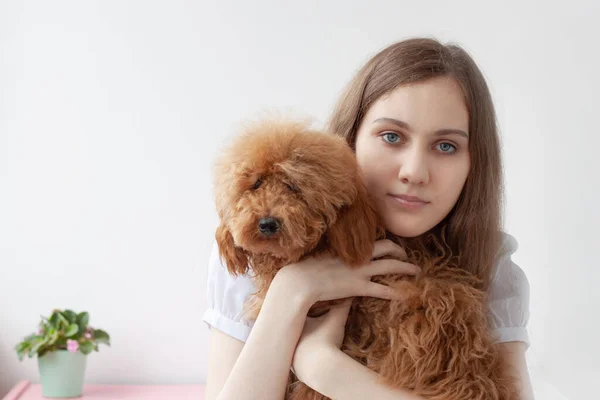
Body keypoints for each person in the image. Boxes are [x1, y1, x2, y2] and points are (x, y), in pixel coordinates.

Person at [203, 37, 534, 400]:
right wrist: (289, 292)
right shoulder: (260, 249)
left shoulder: (491, 263)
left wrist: (324, 366)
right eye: (392, 136)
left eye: (445, 146)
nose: (414, 171)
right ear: (352, 138)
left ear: (475, 162)